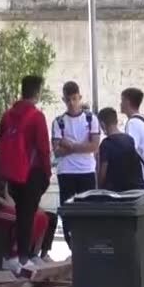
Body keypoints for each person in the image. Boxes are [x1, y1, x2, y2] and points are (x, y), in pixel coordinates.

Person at [0, 75, 53, 275]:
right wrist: (47, 173)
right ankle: (23, 258)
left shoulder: (7, 115)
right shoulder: (36, 116)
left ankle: (13, 257)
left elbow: (0, 142)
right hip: (32, 172)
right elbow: (44, 148)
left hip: (13, 173)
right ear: (37, 92)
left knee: (20, 213)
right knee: (28, 215)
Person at [51, 81, 100, 248]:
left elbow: (94, 146)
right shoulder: (59, 122)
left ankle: (87, 245)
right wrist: (81, 147)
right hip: (66, 171)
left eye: (74, 99)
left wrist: (70, 145)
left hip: (86, 171)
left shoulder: (91, 119)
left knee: (88, 210)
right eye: (68, 100)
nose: (72, 103)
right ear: (63, 100)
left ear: (80, 97)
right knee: (68, 211)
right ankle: (72, 245)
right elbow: (57, 151)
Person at [96, 107, 144, 191]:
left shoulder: (106, 144)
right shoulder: (129, 139)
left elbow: (102, 172)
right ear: (116, 121)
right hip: (135, 188)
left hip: (117, 191)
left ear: (102, 124)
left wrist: (99, 188)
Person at [120, 87, 144, 188]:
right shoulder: (142, 119)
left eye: (122, 100)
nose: (120, 104)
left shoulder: (133, 123)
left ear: (127, 102)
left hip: (140, 179)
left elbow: (130, 150)